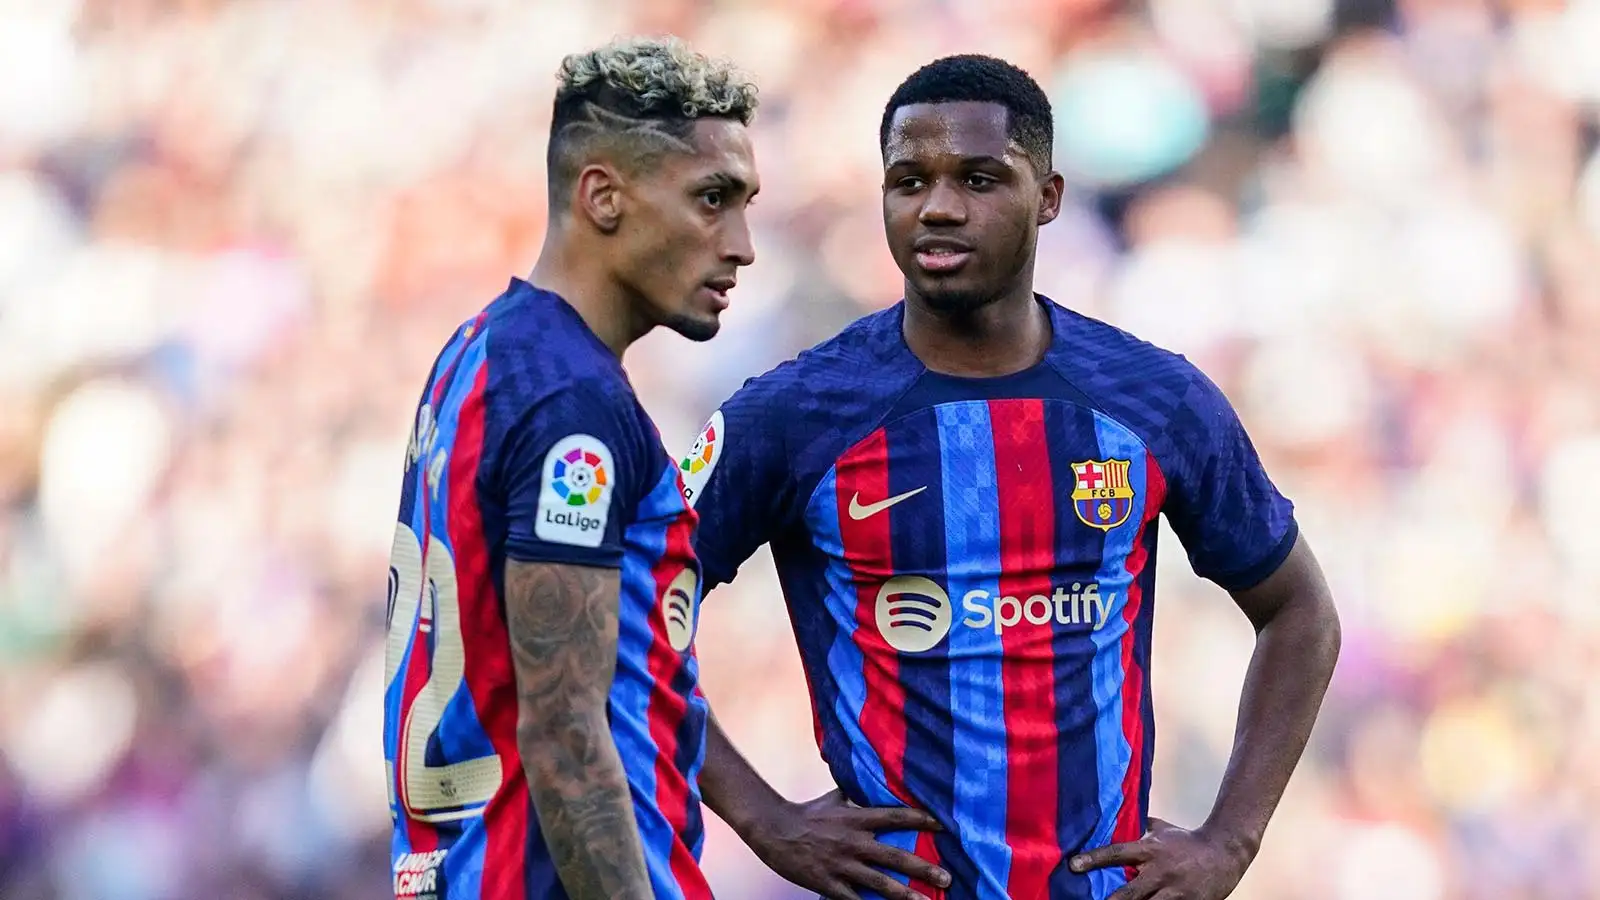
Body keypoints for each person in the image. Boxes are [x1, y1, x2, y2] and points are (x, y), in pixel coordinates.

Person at [681, 54, 1343, 900]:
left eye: (981, 178)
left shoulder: (1155, 400)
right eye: (909, 180)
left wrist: (1230, 841)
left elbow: (1298, 610)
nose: (940, 207)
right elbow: (626, 606)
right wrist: (765, 820)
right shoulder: (795, 414)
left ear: (1050, 197)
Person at [380, 37, 763, 900]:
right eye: (712, 200)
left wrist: (764, 816)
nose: (741, 244)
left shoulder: (479, 353)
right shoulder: (572, 409)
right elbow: (565, 736)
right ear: (603, 197)